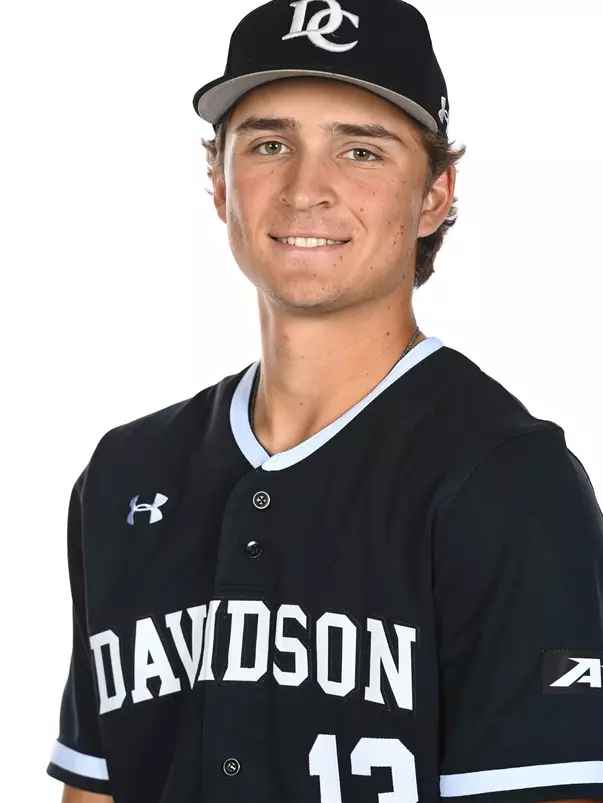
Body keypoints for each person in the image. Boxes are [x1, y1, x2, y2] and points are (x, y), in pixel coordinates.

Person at [46, 1, 603, 802]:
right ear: (218, 182)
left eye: (361, 151)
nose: (307, 189)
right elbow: (94, 788)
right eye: (269, 145)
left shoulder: (509, 482)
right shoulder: (126, 469)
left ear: (434, 195)